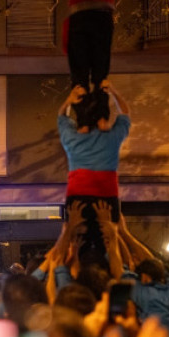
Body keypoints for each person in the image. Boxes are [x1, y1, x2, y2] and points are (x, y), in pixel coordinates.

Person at [58, 82, 130, 258]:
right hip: (106, 195)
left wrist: (69, 100)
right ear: (102, 120)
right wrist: (113, 90)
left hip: (78, 195)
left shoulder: (71, 139)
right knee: (109, 242)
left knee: (75, 242)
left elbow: (61, 116)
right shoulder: (112, 138)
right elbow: (126, 113)